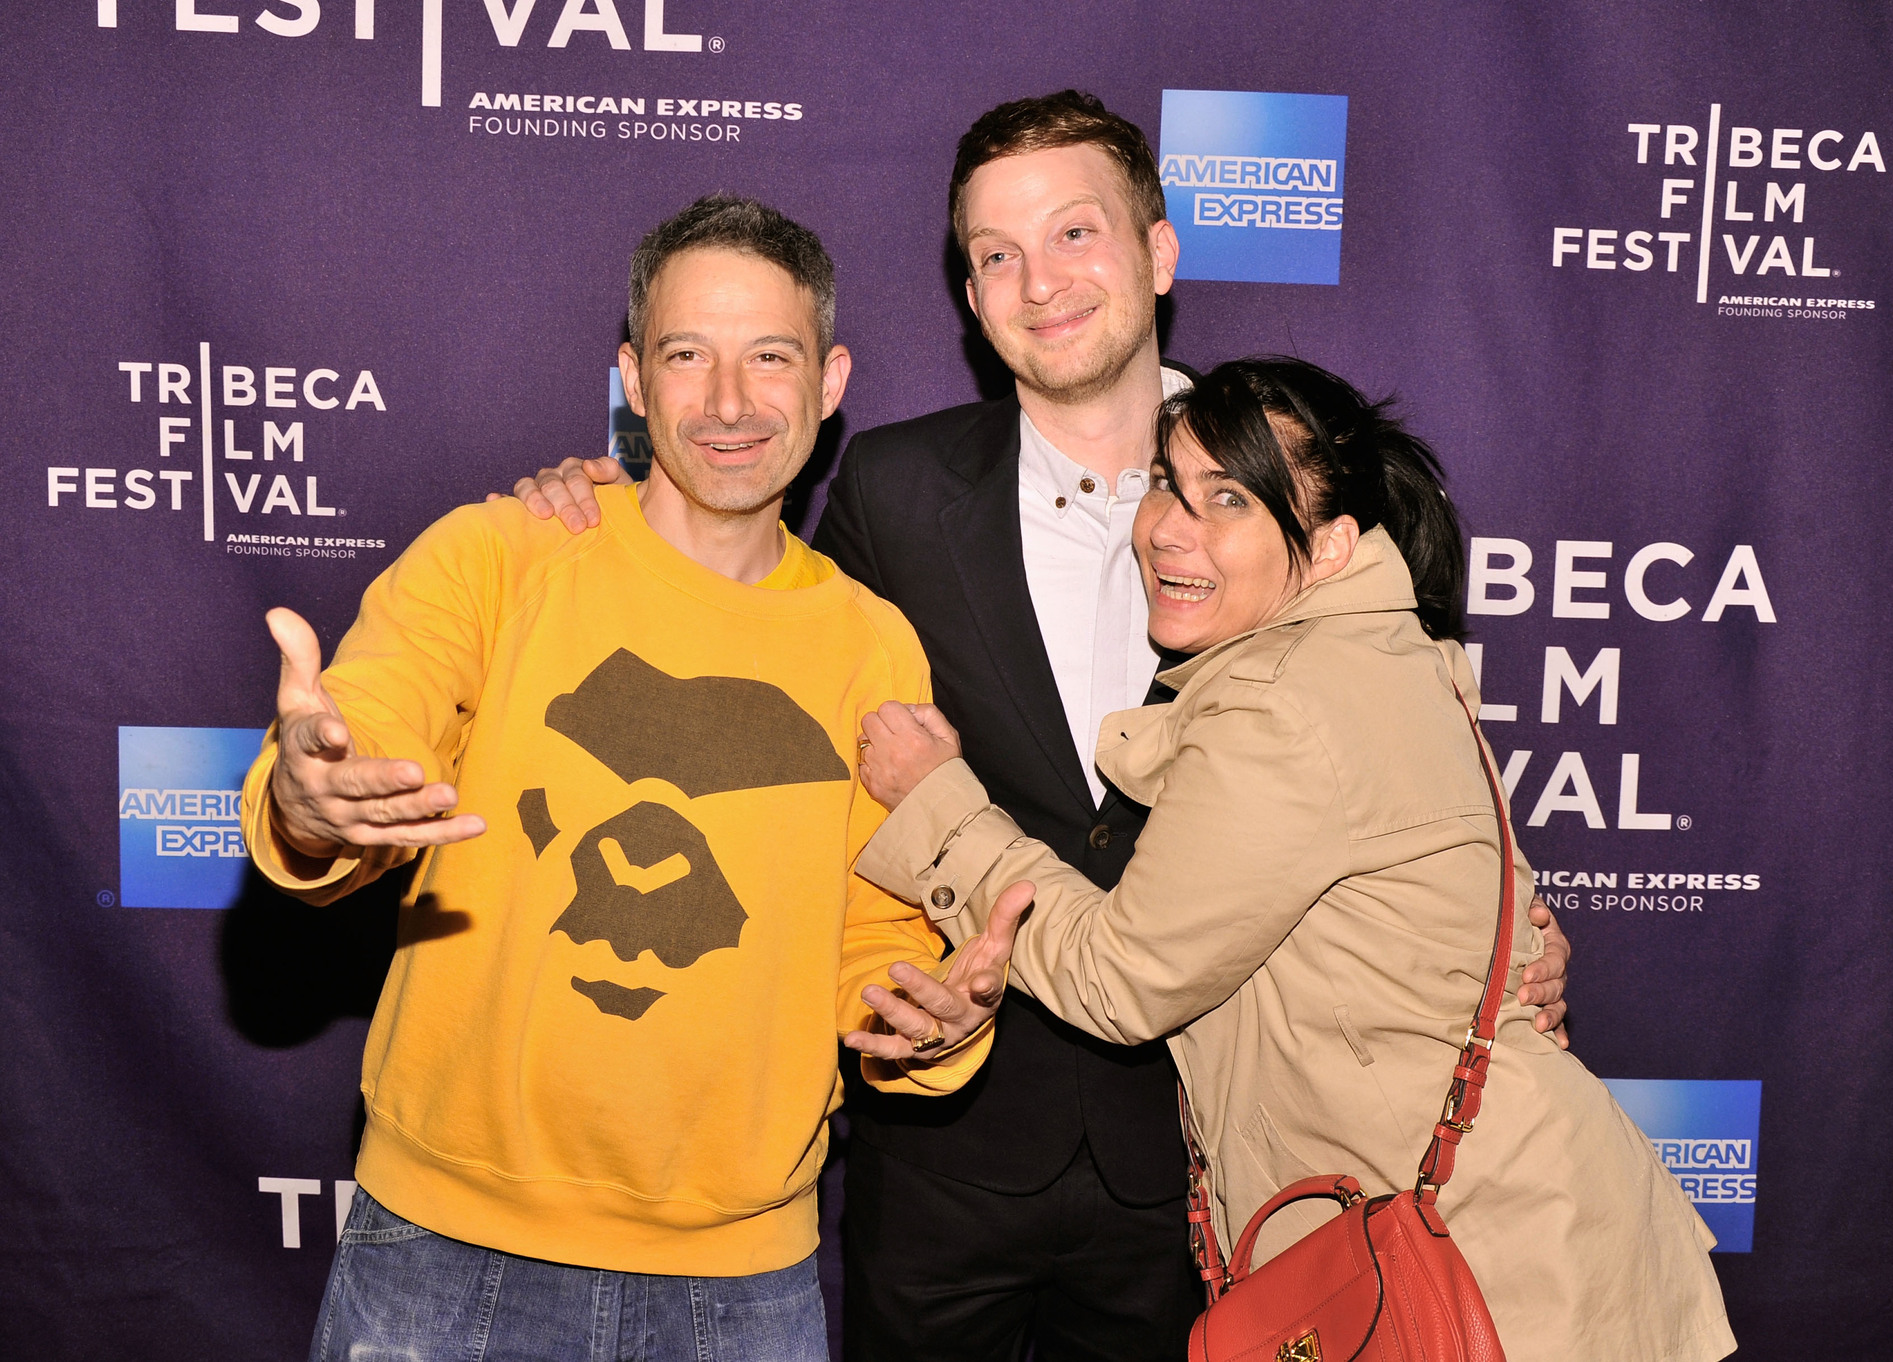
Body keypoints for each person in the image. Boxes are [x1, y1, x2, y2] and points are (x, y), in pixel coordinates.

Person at [508, 91, 1573, 1361]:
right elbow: (751, 640)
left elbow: (1399, 724)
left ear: (1158, 254)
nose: (1038, 282)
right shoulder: (895, 490)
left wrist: (1511, 911)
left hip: (1214, 1153)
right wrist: (600, 503)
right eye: (995, 255)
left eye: (1074, 234)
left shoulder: (1288, 484)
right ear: (967, 292)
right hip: (946, 1145)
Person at [241, 195, 1024, 1362]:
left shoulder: (873, 646)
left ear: (829, 378)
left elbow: (868, 933)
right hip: (447, 1259)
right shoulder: (499, 557)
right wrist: (311, 803)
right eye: (685, 355)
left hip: (741, 1286)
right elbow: (371, 733)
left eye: (769, 356)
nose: (727, 402)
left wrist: (932, 1016)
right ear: (632, 378)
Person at [849, 357, 1738, 1361]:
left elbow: (1119, 980)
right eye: (1166, 488)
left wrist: (938, 807)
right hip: (1510, 1232)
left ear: (1326, 545)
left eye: (1226, 499)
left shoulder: (1282, 701)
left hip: (1481, 1268)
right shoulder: (1389, 654)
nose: (1169, 530)